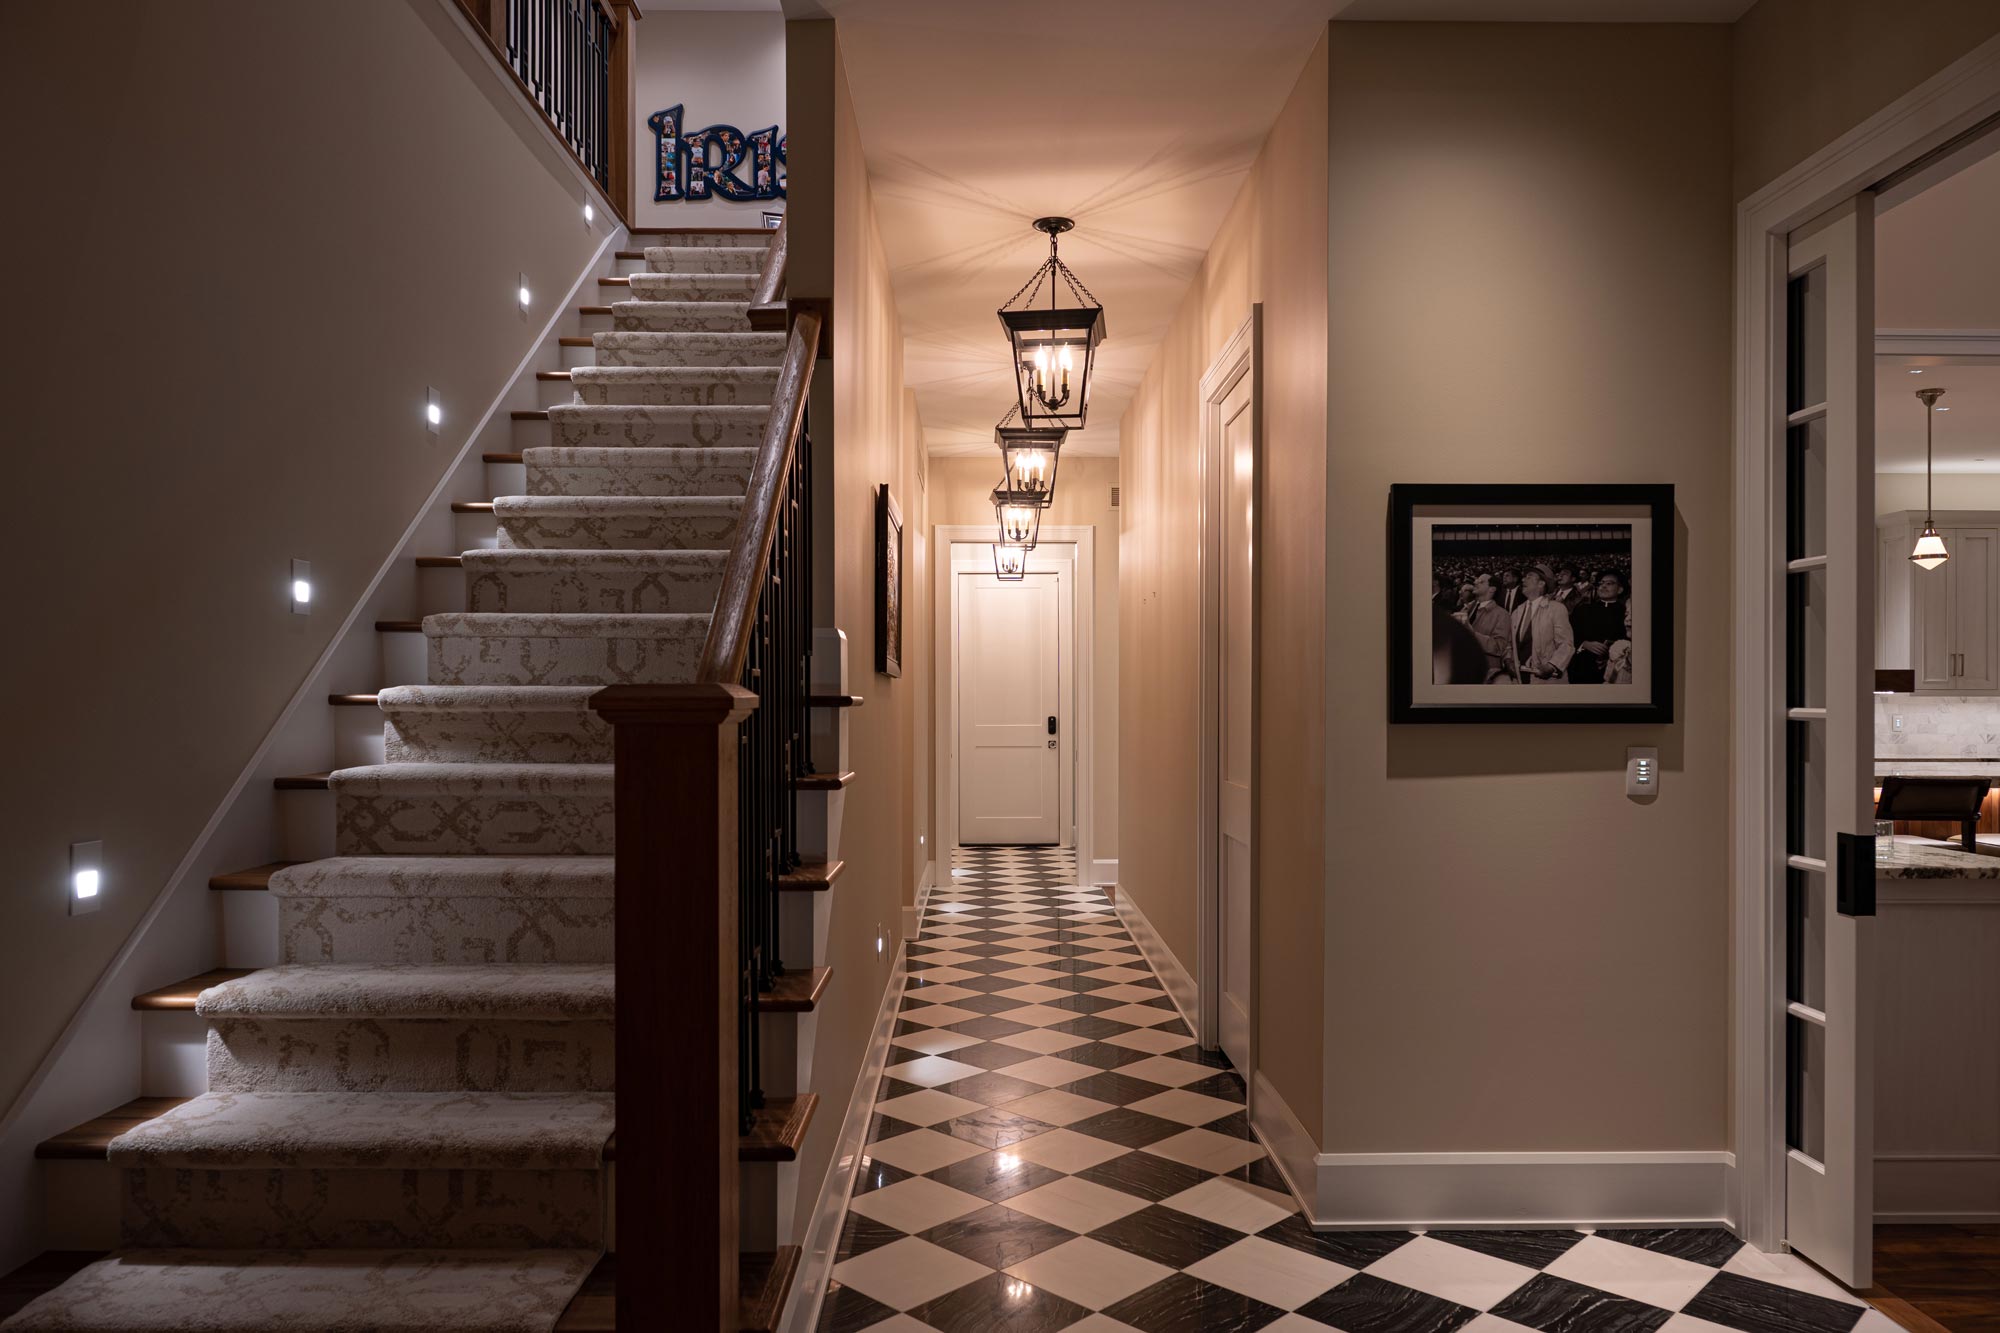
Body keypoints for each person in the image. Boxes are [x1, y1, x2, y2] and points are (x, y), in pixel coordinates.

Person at [1511, 563, 1574, 684]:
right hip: (1520, 679)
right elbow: (1510, 644)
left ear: (1541, 583)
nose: (1523, 579)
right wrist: (1508, 660)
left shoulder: (1556, 609)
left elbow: (1566, 644)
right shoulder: (1516, 612)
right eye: (1524, 576)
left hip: (1546, 681)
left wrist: (1551, 666)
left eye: (1529, 576)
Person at [1568, 569, 1631, 685]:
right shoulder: (1582, 610)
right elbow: (1568, 635)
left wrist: (1612, 656)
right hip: (1582, 668)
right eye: (1601, 583)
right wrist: (1584, 643)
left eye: (1609, 583)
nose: (1603, 586)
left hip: (1614, 671)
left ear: (1620, 589)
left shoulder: (1626, 613)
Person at [1467, 572, 1517, 682]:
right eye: (1476, 580)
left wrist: (1471, 634)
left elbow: (1500, 647)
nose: (1475, 582)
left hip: (1485, 675)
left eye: (1481, 581)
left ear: (1492, 589)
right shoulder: (1468, 608)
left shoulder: (1502, 614)